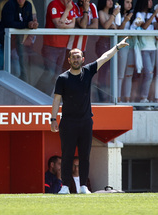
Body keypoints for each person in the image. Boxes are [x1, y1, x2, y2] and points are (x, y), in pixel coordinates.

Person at [51, 37, 129, 194]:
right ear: (69, 59)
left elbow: (104, 57)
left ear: (83, 59)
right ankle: (65, 186)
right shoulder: (62, 78)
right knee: (67, 155)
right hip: (68, 122)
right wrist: (53, 119)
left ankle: (83, 186)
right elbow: (56, 100)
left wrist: (117, 47)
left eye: (78, 56)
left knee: (85, 155)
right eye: (73, 57)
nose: (76, 59)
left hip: (86, 121)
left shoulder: (88, 71)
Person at [35, 0, 77, 95]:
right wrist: (67, 10)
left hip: (63, 45)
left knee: (56, 76)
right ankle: (36, 93)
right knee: (49, 72)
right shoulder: (54, 4)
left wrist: (64, 25)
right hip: (50, 45)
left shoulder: (72, 5)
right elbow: (58, 24)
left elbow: (73, 24)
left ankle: (46, 97)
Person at [0, 0, 38, 75]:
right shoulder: (9, 4)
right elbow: (9, 23)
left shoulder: (28, 5)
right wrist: (27, 24)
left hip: (14, 43)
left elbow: (29, 21)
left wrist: (32, 25)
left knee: (16, 73)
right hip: (0, 43)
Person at [131, 0, 158, 110]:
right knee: (148, 74)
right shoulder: (139, 14)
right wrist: (154, 14)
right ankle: (143, 99)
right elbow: (144, 27)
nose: (151, 3)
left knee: (150, 74)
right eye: (148, 1)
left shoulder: (152, 14)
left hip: (153, 47)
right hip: (144, 48)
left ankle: (147, 98)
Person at [95, 0, 121, 102]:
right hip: (103, 44)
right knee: (103, 71)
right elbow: (105, 26)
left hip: (111, 45)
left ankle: (110, 95)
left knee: (112, 71)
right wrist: (114, 15)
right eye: (108, 0)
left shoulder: (110, 14)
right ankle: (101, 97)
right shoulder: (101, 12)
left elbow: (116, 28)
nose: (111, 2)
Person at [117, 0, 134, 104]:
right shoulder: (117, 13)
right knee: (120, 74)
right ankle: (117, 98)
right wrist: (125, 20)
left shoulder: (133, 14)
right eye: (127, 2)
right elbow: (118, 31)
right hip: (121, 45)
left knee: (129, 74)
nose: (129, 4)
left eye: (131, 2)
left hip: (131, 45)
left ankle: (127, 99)